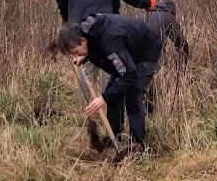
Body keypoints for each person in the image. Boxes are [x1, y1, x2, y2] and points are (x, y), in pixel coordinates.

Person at [55, 13, 163, 151]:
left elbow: (129, 75)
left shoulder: (111, 42)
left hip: (145, 51)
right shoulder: (87, 31)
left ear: (82, 41)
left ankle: (138, 146)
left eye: (76, 51)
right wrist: (85, 56)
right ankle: (114, 137)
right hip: (126, 50)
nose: (76, 56)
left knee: (132, 95)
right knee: (113, 92)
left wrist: (103, 99)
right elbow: (96, 44)